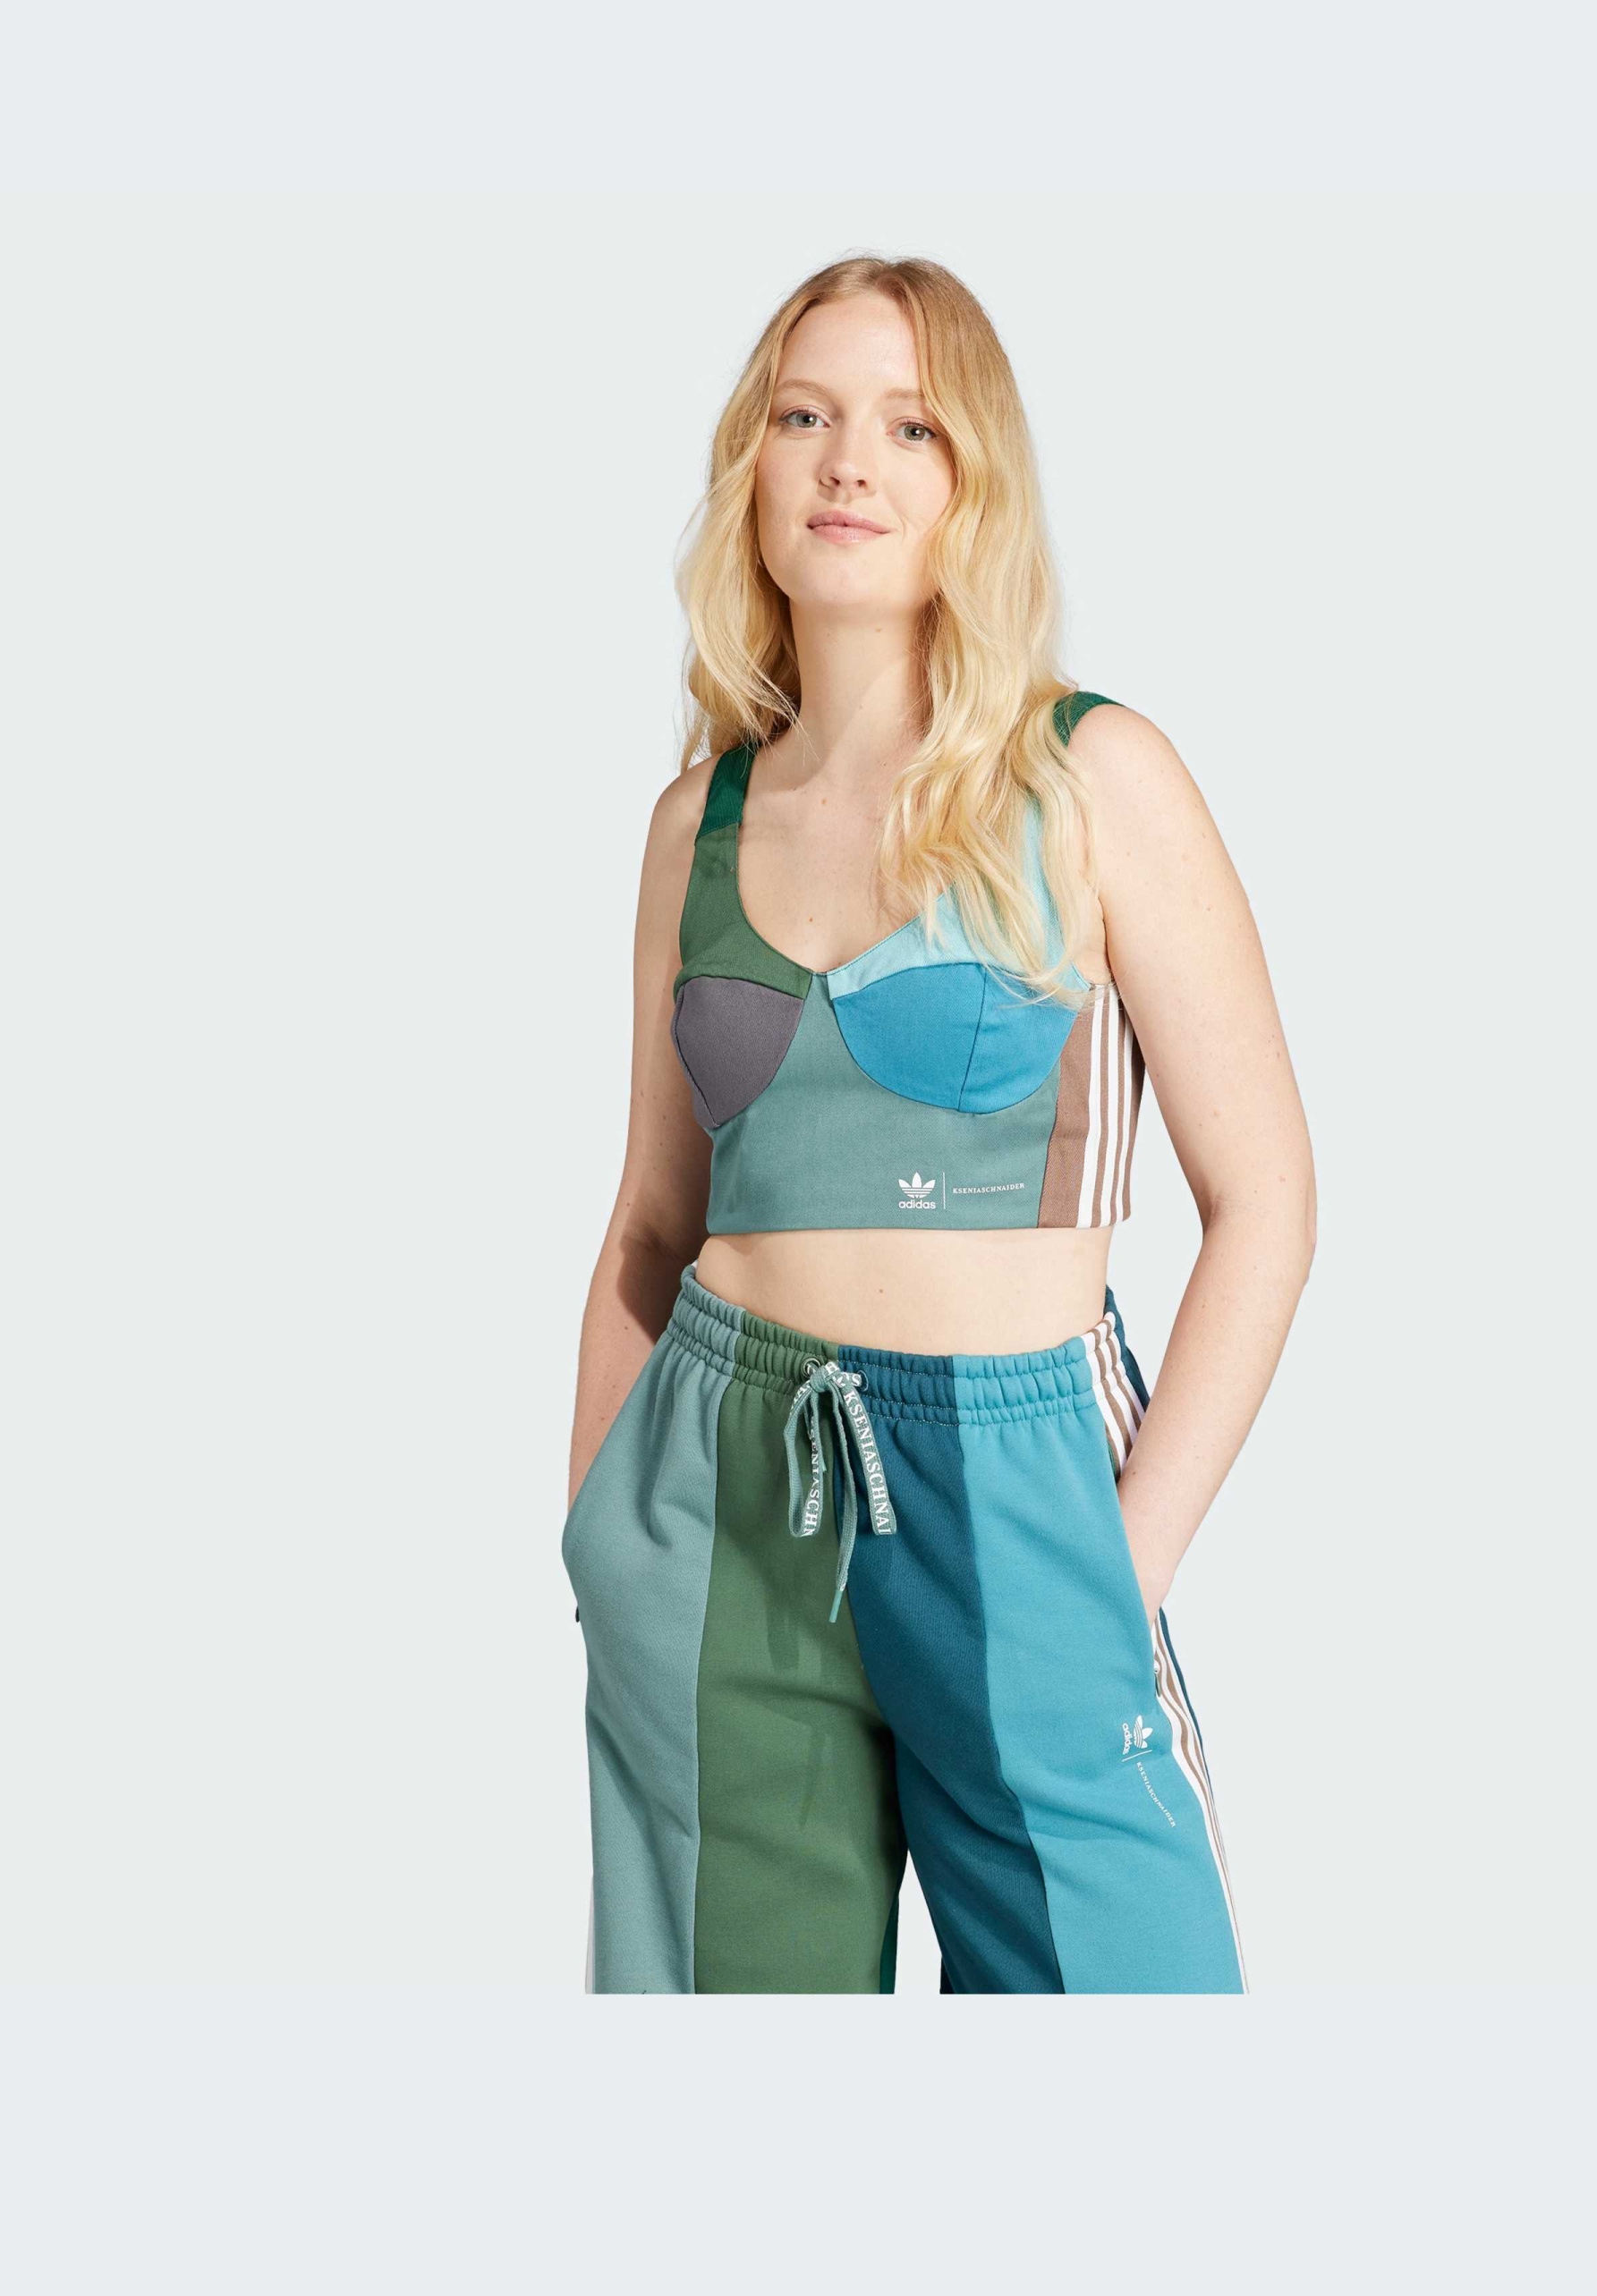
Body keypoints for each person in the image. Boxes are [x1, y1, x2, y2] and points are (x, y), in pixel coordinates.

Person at [561, 254, 1315, 1994]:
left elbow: (1265, 1201)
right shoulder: (695, 822)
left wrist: (1116, 1573)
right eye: (802, 416)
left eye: (911, 427)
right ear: (750, 467)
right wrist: (600, 1530)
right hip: (720, 1487)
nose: (848, 462)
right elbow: (651, 1227)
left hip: (1019, 1479)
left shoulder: (1090, 777)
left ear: (975, 483)